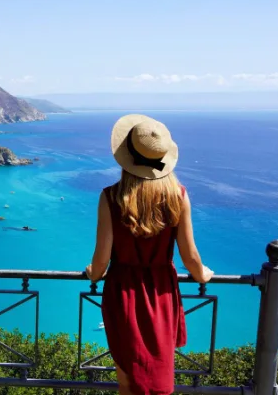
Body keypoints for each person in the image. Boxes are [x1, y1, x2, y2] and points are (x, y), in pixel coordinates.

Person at [85, 114, 214, 395]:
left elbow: (101, 259)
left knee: (127, 379)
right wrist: (202, 274)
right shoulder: (178, 196)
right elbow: (189, 255)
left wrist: (93, 273)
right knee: (158, 369)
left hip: (123, 292)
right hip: (161, 293)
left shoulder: (110, 197)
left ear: (125, 157)